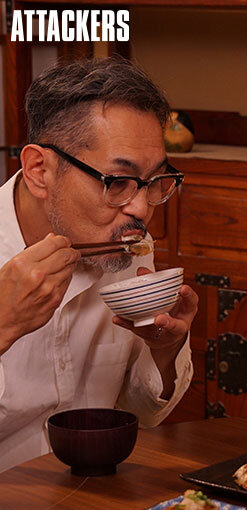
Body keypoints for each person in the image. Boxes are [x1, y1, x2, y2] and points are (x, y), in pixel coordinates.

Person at [0, 58, 198, 472]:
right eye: (116, 181)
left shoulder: (127, 245)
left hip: (95, 490)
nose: (141, 209)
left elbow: (142, 413)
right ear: (39, 170)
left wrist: (164, 352)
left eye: (153, 181)